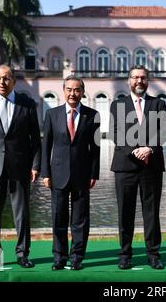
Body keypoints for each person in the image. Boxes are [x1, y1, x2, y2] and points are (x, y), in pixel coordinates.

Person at [0, 64, 41, 269]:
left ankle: (22, 254)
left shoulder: (27, 104)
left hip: (20, 167)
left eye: (5, 78)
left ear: (14, 81)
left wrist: (35, 165)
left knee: (22, 214)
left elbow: (35, 140)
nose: (1, 82)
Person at [109, 65, 166, 270]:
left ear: (148, 80)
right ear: (129, 80)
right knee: (125, 212)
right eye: (135, 77)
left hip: (151, 165)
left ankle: (153, 254)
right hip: (125, 165)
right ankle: (125, 254)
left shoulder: (158, 103)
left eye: (142, 78)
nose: (139, 81)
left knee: (151, 212)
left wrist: (149, 148)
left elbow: (164, 130)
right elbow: (115, 132)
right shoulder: (117, 105)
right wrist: (135, 150)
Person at [41, 75, 100, 271]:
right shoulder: (52, 114)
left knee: (80, 220)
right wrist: (45, 173)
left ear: (82, 92)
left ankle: (77, 257)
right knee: (58, 217)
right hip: (57, 174)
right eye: (69, 89)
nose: (73, 93)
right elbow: (46, 146)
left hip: (82, 175)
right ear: (63, 91)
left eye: (76, 90)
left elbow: (96, 148)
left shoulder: (93, 115)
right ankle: (59, 256)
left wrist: (94, 174)